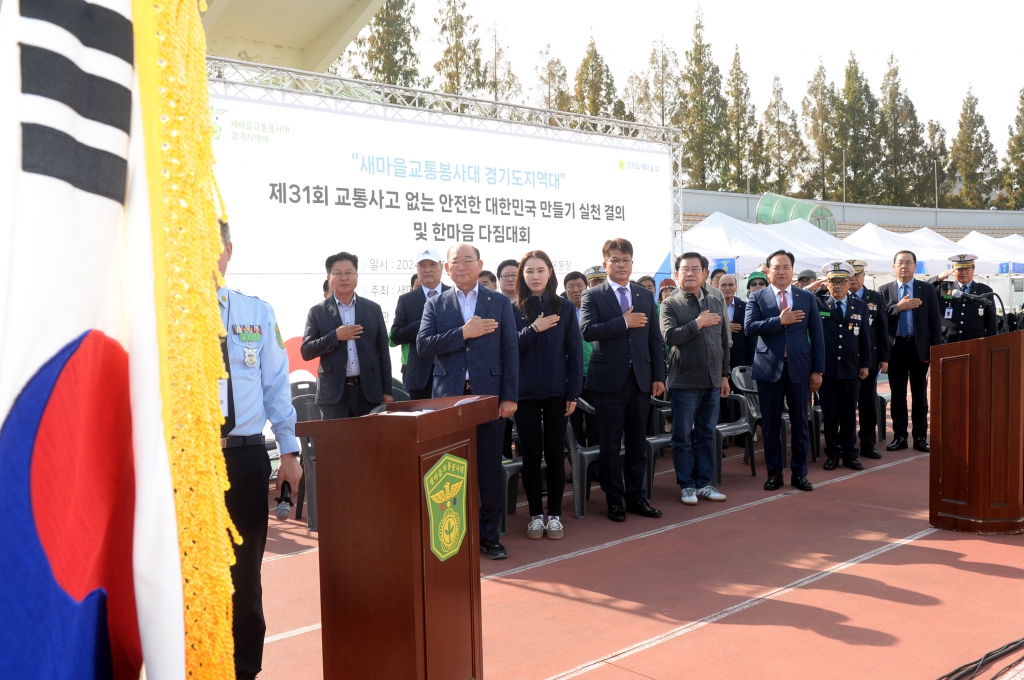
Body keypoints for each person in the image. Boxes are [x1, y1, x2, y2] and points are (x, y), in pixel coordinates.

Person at [215, 220, 301, 679]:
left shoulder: (255, 312)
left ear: (229, 250)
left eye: (214, 244)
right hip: (185, 461)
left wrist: (289, 452)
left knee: (245, 577)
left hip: (245, 460)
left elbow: (275, 386)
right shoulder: (163, 311)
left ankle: (244, 670)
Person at [417, 244, 519, 560]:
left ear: (479, 265)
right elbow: (423, 346)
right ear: (447, 268)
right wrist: (463, 332)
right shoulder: (436, 304)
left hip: (488, 399)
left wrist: (510, 397)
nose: (461, 266)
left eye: (468, 260)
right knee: (449, 472)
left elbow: (510, 352)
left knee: (488, 469)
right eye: (455, 262)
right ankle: (455, 536)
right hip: (449, 402)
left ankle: (489, 536)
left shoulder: (499, 302)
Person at [580, 238, 666, 522]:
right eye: (614, 260)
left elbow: (655, 339)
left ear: (632, 262)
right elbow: (587, 331)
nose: (620, 265)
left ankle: (637, 497)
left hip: (640, 381)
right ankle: (614, 499)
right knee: (609, 444)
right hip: (607, 383)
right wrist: (622, 322)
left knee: (637, 443)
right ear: (605, 263)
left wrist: (658, 376)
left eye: (625, 260)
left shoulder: (643, 295)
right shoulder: (593, 295)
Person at [512, 251, 583, 540]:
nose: (536, 276)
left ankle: (554, 514)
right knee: (530, 456)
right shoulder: (513, 308)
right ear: (522, 275)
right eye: (529, 271)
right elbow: (509, 348)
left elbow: (575, 353)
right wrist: (533, 329)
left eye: (541, 270)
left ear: (550, 272)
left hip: (557, 391)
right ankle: (534, 516)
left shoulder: (564, 307)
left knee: (555, 455)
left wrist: (573, 392)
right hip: (524, 393)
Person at [744, 249, 824, 492]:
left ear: (792, 271)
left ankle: (799, 474)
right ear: (768, 271)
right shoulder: (757, 297)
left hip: (800, 369)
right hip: (769, 370)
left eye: (786, 267)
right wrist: (780, 321)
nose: (781, 271)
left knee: (800, 424)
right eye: (776, 267)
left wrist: (817, 370)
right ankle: (774, 473)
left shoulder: (806, 297)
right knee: (770, 425)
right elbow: (749, 328)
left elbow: (818, 337)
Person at [661, 252, 730, 505]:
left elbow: (723, 341)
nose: (689, 273)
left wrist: (724, 374)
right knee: (682, 436)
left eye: (695, 269)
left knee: (706, 434)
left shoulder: (715, 300)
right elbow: (669, 337)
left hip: (712, 380)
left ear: (704, 274)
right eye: (684, 269)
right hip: (685, 381)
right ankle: (686, 485)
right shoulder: (670, 303)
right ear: (677, 274)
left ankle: (703, 483)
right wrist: (697, 324)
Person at [301, 252, 393, 419]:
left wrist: (387, 391)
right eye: (338, 273)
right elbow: (306, 351)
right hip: (333, 394)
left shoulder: (373, 309)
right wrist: (335, 336)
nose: (344, 278)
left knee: (368, 443)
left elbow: (383, 353)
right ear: (329, 277)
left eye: (348, 273)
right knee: (336, 444)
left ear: (356, 276)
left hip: (368, 392)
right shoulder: (317, 312)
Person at [879, 250, 941, 453]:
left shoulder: (926, 289)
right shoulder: (884, 290)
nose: (904, 266)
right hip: (895, 348)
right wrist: (898, 307)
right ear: (893, 267)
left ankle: (921, 437)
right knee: (897, 395)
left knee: (920, 395)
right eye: (900, 263)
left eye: (908, 262)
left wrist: (936, 352)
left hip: (919, 347)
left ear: (915, 266)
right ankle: (900, 436)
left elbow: (934, 321)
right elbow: (879, 318)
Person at [816, 262, 871, 471]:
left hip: (851, 367)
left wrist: (865, 364)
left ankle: (850, 454)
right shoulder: (818, 304)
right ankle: (832, 454)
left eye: (842, 282)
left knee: (849, 413)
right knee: (830, 414)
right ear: (826, 284)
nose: (837, 286)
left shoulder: (860, 306)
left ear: (850, 283)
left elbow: (865, 338)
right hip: (827, 369)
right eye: (833, 282)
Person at [390, 248, 450, 400]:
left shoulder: (455, 295)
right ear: (417, 269)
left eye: (432, 264)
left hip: (451, 372)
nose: (427, 269)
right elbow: (396, 336)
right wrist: (425, 322)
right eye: (422, 266)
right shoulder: (406, 300)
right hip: (419, 376)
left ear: (442, 267)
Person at [847, 259, 889, 459]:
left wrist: (884, 358)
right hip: (844, 359)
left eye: (858, 274)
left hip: (869, 358)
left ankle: (867, 443)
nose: (854, 279)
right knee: (845, 404)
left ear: (864, 276)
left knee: (867, 404)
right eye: (850, 275)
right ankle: (845, 443)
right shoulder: (837, 296)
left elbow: (882, 330)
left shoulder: (876, 298)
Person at [929, 254, 998, 343]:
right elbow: (921, 291)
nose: (963, 272)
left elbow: (991, 323)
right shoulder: (943, 288)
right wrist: (937, 279)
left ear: (973, 269)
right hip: (947, 343)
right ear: (953, 270)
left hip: (975, 343)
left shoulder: (985, 291)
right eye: (959, 269)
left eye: (967, 268)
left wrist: (991, 345)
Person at [564, 271, 598, 447]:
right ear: (565, 289)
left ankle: (596, 467)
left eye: (580, 286)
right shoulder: (561, 312)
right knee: (573, 423)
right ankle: (577, 469)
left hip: (595, 375)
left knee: (595, 422)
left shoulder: (596, 309)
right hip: (570, 377)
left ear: (587, 288)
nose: (576, 290)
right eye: (571, 286)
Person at [719, 274, 752, 369]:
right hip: (719, 356)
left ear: (736, 287)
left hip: (740, 357)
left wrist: (750, 358)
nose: (727, 288)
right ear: (718, 287)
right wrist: (726, 327)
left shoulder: (745, 307)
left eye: (731, 285)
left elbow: (750, 335)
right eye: (723, 285)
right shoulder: (712, 306)